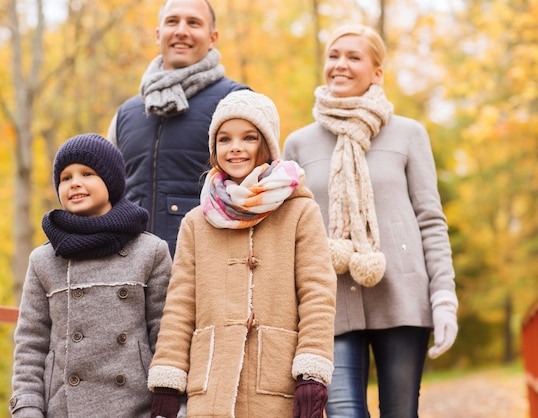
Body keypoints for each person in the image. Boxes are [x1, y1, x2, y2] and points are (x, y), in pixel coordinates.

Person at [283, 24, 459, 417]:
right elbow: (292, 232)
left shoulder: (409, 134)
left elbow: (430, 219)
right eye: (333, 56)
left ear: (377, 72)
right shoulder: (298, 143)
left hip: (402, 297)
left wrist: (444, 296)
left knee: (400, 412)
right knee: (344, 411)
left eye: (353, 57)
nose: (340, 65)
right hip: (329, 302)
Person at [146, 90, 337, 418]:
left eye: (249, 137)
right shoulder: (196, 222)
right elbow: (179, 306)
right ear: (214, 148)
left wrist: (312, 372)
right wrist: (167, 378)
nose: (235, 147)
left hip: (276, 382)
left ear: (267, 145)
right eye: (224, 139)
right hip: (211, 386)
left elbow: (318, 294)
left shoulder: (300, 212)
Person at [9, 133, 172, 417]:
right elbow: (30, 344)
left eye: (87, 173)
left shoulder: (150, 251)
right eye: (65, 177)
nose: (75, 182)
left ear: (110, 181)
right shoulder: (44, 260)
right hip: (63, 408)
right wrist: (27, 407)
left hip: (137, 405)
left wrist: (170, 403)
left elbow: (165, 334)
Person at [106, 0, 248, 257]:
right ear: (158, 34)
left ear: (212, 37)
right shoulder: (126, 113)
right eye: (173, 21)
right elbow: (108, 199)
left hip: (205, 267)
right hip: (131, 274)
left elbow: (259, 191)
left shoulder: (235, 101)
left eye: (193, 23)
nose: (181, 30)